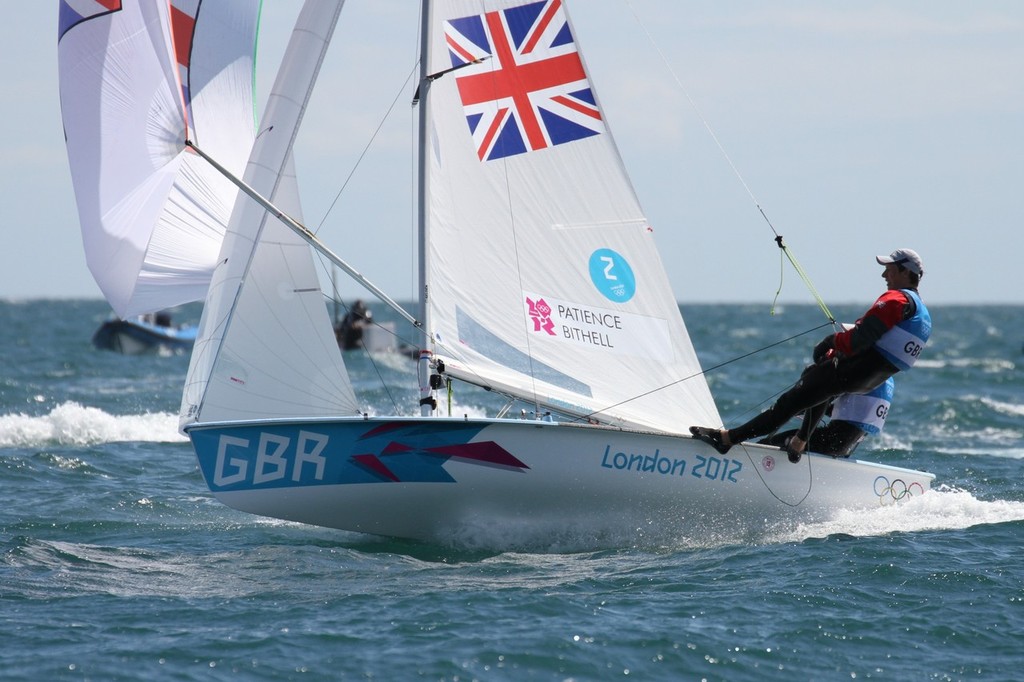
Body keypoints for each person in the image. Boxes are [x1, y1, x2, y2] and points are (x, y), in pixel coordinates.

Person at [690, 248, 931, 462]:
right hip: (868, 380)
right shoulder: (923, 316)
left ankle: (726, 440)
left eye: (888, 270)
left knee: (786, 406)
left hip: (853, 368)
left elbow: (859, 339)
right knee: (821, 389)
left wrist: (830, 341)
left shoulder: (896, 299)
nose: (884, 276)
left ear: (903, 271)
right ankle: (799, 441)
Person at [757, 377, 894, 457]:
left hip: (830, 442)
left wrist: (793, 408)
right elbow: (852, 412)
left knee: (774, 442)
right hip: (846, 448)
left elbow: (823, 399)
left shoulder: (860, 373)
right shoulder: (884, 378)